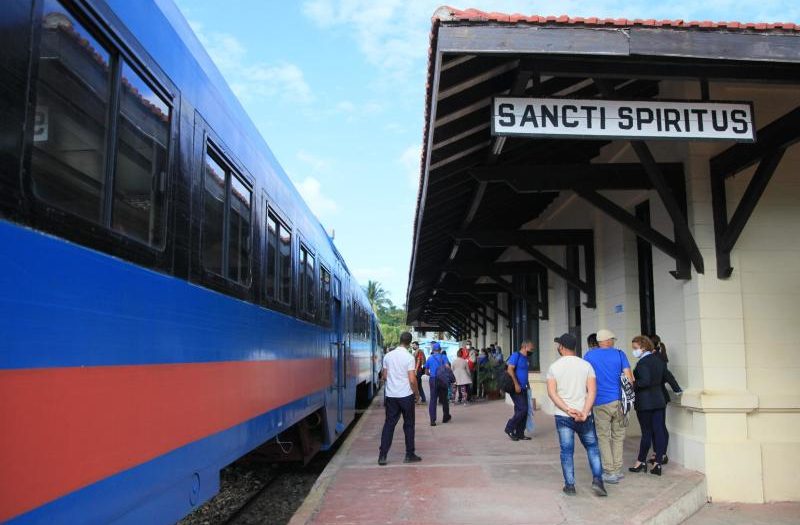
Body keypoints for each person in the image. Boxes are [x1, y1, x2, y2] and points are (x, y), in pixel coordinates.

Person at [547, 333, 607, 497]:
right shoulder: (586, 365)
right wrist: (585, 412)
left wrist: (567, 409)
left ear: (561, 347)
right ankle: (598, 481)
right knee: (593, 448)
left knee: (567, 451)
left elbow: (552, 393)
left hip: (563, 416)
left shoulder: (554, 367)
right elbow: (592, 391)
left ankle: (570, 486)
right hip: (584, 415)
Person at [583, 329, 634, 484]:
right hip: (618, 402)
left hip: (599, 402)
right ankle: (617, 470)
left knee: (603, 437)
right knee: (618, 436)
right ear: (608, 340)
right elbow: (630, 379)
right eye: (613, 339)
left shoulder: (589, 356)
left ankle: (609, 471)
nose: (613, 342)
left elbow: (586, 379)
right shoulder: (620, 354)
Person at [378, 331, 421, 465]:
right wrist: (417, 394)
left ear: (400, 340)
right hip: (406, 396)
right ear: (409, 343)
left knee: (389, 424)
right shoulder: (409, 357)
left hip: (391, 396)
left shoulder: (388, 356)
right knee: (408, 425)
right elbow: (412, 380)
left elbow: (384, 376)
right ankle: (409, 454)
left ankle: (382, 455)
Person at [627, 335, 668, 476]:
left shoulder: (643, 363)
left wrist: (632, 383)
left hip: (645, 403)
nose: (634, 351)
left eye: (635, 348)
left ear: (643, 348)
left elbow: (644, 381)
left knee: (647, 433)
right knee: (659, 431)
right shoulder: (658, 360)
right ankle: (657, 463)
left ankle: (641, 462)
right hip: (659, 400)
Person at [648, 334, 682, 465]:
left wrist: (677, 389)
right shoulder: (654, 357)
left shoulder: (657, 359)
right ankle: (657, 452)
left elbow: (667, 375)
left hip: (659, 396)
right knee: (654, 426)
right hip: (653, 397)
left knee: (659, 426)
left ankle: (661, 454)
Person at [504, 340, 533, 441]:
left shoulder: (525, 358)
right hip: (516, 388)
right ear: (525, 347)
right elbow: (510, 369)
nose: (532, 350)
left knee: (523, 411)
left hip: (524, 387)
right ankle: (509, 428)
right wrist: (516, 384)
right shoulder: (516, 355)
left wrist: (527, 385)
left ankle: (520, 433)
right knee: (522, 409)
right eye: (531, 348)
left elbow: (524, 373)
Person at [425, 342, 452, 426]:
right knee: (444, 399)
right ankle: (445, 417)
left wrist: (432, 375)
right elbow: (448, 367)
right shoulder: (444, 357)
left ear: (433, 350)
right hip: (442, 380)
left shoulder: (429, 358)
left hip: (433, 379)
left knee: (433, 399)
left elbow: (426, 372)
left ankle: (432, 420)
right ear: (440, 350)